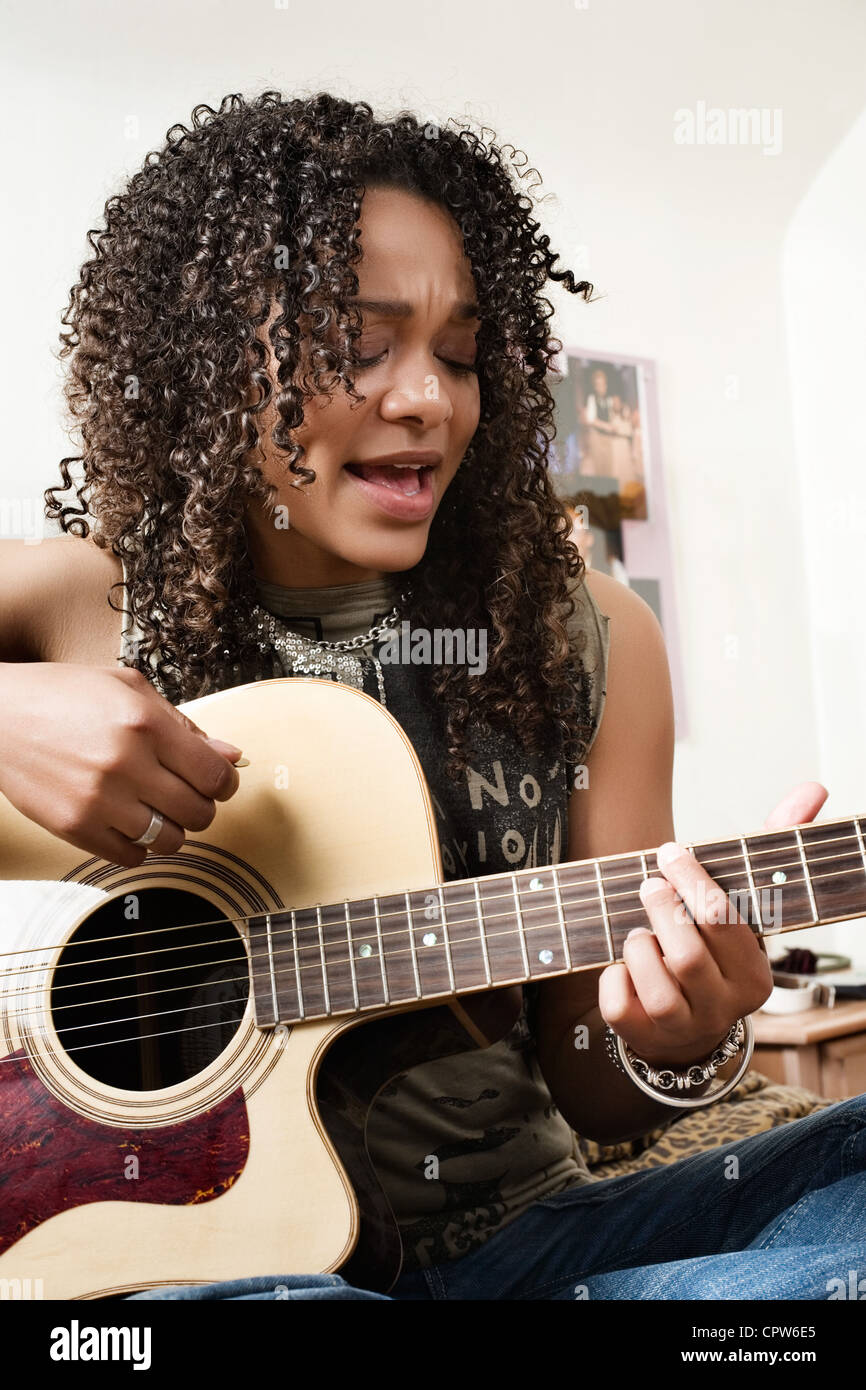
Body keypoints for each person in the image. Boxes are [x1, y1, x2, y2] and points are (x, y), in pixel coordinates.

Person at [1, 90, 864, 1302]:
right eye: (361, 343)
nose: (427, 399)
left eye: (459, 354)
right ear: (202, 359)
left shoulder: (589, 635)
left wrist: (681, 1033)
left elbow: (593, 1088)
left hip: (532, 1246)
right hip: (214, 1270)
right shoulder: (76, 608)